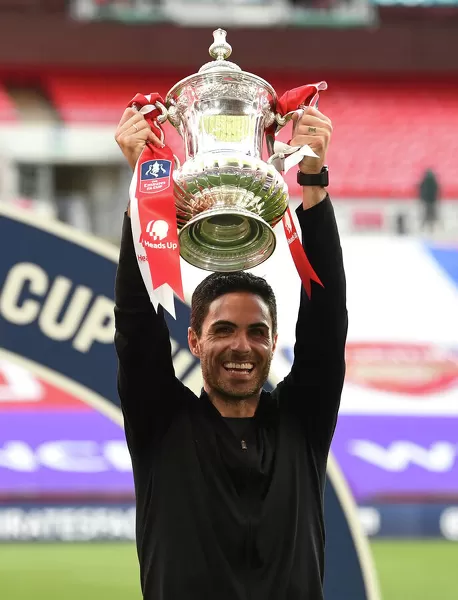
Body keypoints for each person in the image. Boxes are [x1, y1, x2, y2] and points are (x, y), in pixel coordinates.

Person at [114, 104, 348, 600]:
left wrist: (313, 180)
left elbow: (327, 324)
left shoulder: (300, 424)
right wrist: (145, 185)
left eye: (257, 332)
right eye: (223, 330)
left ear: (274, 341)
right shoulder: (161, 424)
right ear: (195, 340)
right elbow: (137, 326)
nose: (242, 346)